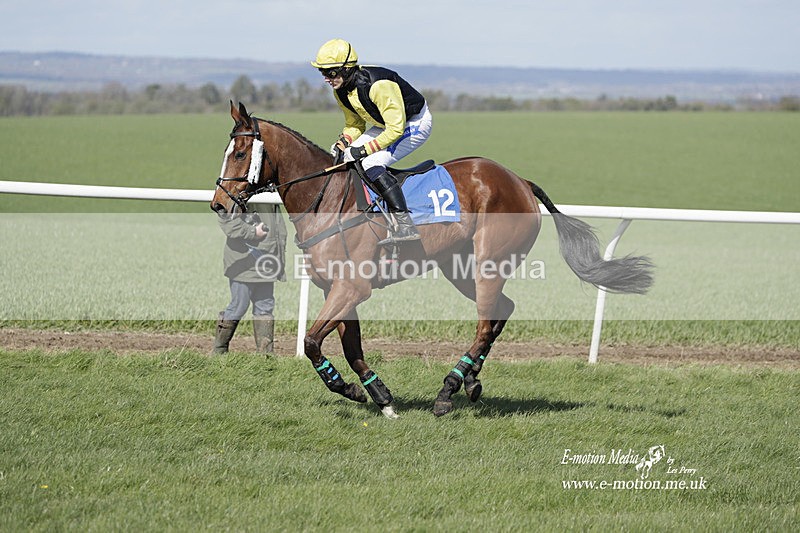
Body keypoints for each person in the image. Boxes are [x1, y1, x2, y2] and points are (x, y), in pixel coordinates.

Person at [311, 38, 432, 244]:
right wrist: (344, 142)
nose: (326, 78)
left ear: (347, 69)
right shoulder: (340, 91)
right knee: (345, 158)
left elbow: (395, 129)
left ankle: (405, 224)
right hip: (386, 125)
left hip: (413, 122)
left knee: (370, 162)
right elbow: (355, 124)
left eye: (330, 72)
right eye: (323, 73)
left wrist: (364, 150)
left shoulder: (379, 86)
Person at [212, 204, 287, 354]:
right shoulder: (239, 186)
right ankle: (219, 352)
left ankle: (266, 356)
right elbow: (227, 221)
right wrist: (252, 232)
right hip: (244, 263)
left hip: (267, 263)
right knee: (239, 306)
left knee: (265, 307)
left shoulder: (270, 189)